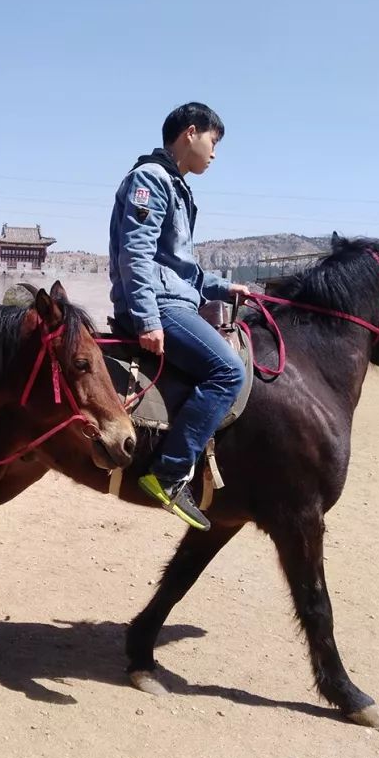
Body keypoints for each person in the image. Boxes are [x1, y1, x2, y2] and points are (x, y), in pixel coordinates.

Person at [109, 102, 250, 531]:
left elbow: (179, 270)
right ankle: (169, 472)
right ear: (190, 133)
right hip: (160, 306)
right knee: (228, 372)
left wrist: (224, 287)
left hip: (173, 299)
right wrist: (148, 318)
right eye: (213, 141)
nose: (215, 152)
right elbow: (136, 255)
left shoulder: (177, 185)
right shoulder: (150, 179)